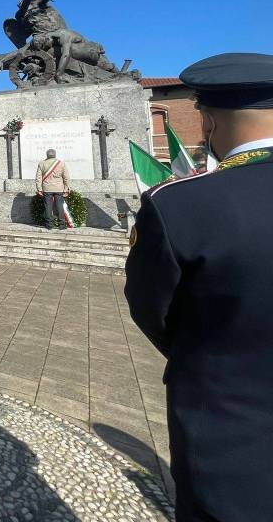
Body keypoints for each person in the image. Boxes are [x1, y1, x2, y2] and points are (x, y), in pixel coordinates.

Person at [125, 53, 273, 522]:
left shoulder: (182, 206)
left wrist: (206, 354)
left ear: (206, 121)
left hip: (231, 436)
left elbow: (153, 309)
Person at [35, 148, 70, 229]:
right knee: (59, 206)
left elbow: (38, 178)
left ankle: (49, 225)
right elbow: (66, 177)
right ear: (55, 155)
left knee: (48, 207)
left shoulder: (42, 163)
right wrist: (66, 189)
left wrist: (39, 189)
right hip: (59, 188)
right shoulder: (61, 163)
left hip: (47, 188)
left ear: (47, 155)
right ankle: (61, 224)